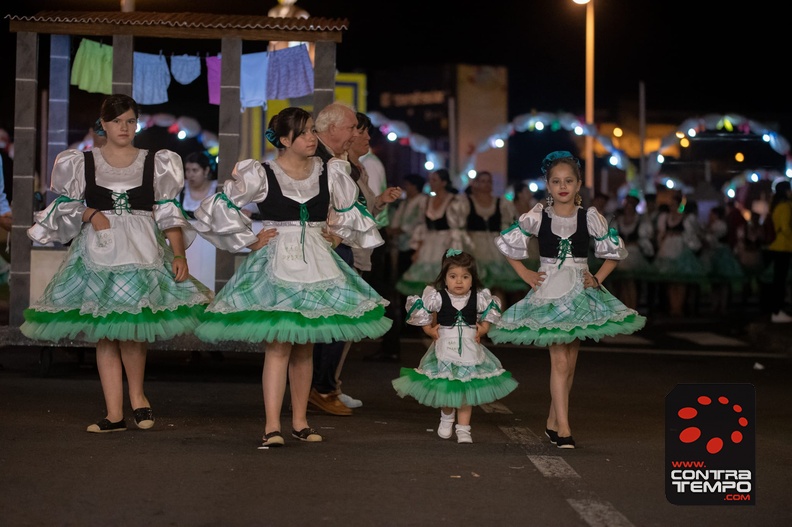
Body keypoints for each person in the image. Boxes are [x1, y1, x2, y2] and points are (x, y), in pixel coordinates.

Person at [192, 107, 391, 446]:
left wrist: (337, 235)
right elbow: (217, 209)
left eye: (313, 130)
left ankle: (300, 421)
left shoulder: (331, 171)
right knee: (279, 346)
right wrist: (249, 240)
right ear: (284, 140)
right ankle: (272, 425)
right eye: (304, 133)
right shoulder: (262, 173)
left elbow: (348, 211)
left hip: (316, 260)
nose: (312, 137)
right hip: (277, 263)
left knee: (304, 347)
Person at [20, 94, 214, 433]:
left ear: (136, 123)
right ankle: (113, 413)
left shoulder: (157, 161)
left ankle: (138, 398)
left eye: (129, 120)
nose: (123, 127)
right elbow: (63, 206)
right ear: (104, 125)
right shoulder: (81, 161)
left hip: (141, 252)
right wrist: (90, 213)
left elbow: (169, 212)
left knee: (133, 331)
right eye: (116, 121)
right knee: (106, 333)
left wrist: (179, 253)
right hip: (98, 253)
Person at [488, 151, 646, 449]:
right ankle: (564, 429)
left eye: (569, 181)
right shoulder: (537, 216)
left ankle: (551, 422)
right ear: (547, 185)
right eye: (556, 181)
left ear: (579, 184)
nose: (563, 186)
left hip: (580, 293)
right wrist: (525, 273)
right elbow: (508, 244)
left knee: (570, 363)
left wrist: (597, 278)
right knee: (559, 361)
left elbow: (612, 252)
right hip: (549, 292)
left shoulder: (590, 216)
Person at [392, 249, 518, 444]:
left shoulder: (479, 297)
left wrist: (483, 329)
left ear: (472, 279)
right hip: (445, 351)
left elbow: (490, 314)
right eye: (453, 276)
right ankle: (446, 416)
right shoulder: (437, 296)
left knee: (466, 390)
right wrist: (429, 330)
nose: (459, 281)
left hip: (469, 352)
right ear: (445, 278)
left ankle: (464, 428)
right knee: (447, 388)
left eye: (465, 277)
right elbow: (421, 311)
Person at [328, 111, 401, 408]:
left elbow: (365, 210)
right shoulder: (335, 168)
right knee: (338, 323)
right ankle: (324, 387)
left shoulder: (361, 169)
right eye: (362, 131)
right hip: (340, 249)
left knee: (346, 324)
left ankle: (330, 384)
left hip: (357, 250)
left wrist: (380, 200)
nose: (368, 138)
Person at [308, 101, 366, 416]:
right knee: (333, 318)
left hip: (335, 243)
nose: (354, 133)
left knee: (333, 318)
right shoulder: (319, 159)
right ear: (332, 128)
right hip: (326, 245)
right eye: (351, 127)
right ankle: (321, 387)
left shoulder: (335, 159)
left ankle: (322, 385)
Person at [395, 168, 467, 297]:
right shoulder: (426, 201)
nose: (431, 183)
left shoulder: (454, 201)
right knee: (425, 286)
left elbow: (457, 230)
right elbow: (422, 227)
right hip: (428, 246)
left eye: (434, 180)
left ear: (444, 183)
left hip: (445, 244)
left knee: (444, 283)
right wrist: (417, 250)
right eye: (430, 180)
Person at [651, 191, 705, 317]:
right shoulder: (665, 218)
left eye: (674, 204)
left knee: (680, 281)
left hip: (679, 249)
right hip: (668, 249)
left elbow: (690, 235)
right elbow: (661, 233)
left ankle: (678, 307)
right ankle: (673, 306)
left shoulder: (685, 218)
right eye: (671, 204)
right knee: (670, 280)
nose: (672, 207)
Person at [606, 190, 655, 311]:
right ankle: (625, 306)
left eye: (631, 205)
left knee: (630, 281)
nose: (628, 208)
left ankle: (632, 306)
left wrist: (635, 243)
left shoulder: (640, 221)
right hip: (621, 253)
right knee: (623, 282)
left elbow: (645, 240)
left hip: (633, 254)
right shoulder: (618, 221)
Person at [766, 179, 792, 323]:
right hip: (784, 246)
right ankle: (777, 310)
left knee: (778, 280)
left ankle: (776, 310)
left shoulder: (775, 206)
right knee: (780, 281)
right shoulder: (785, 206)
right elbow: (786, 228)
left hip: (777, 246)